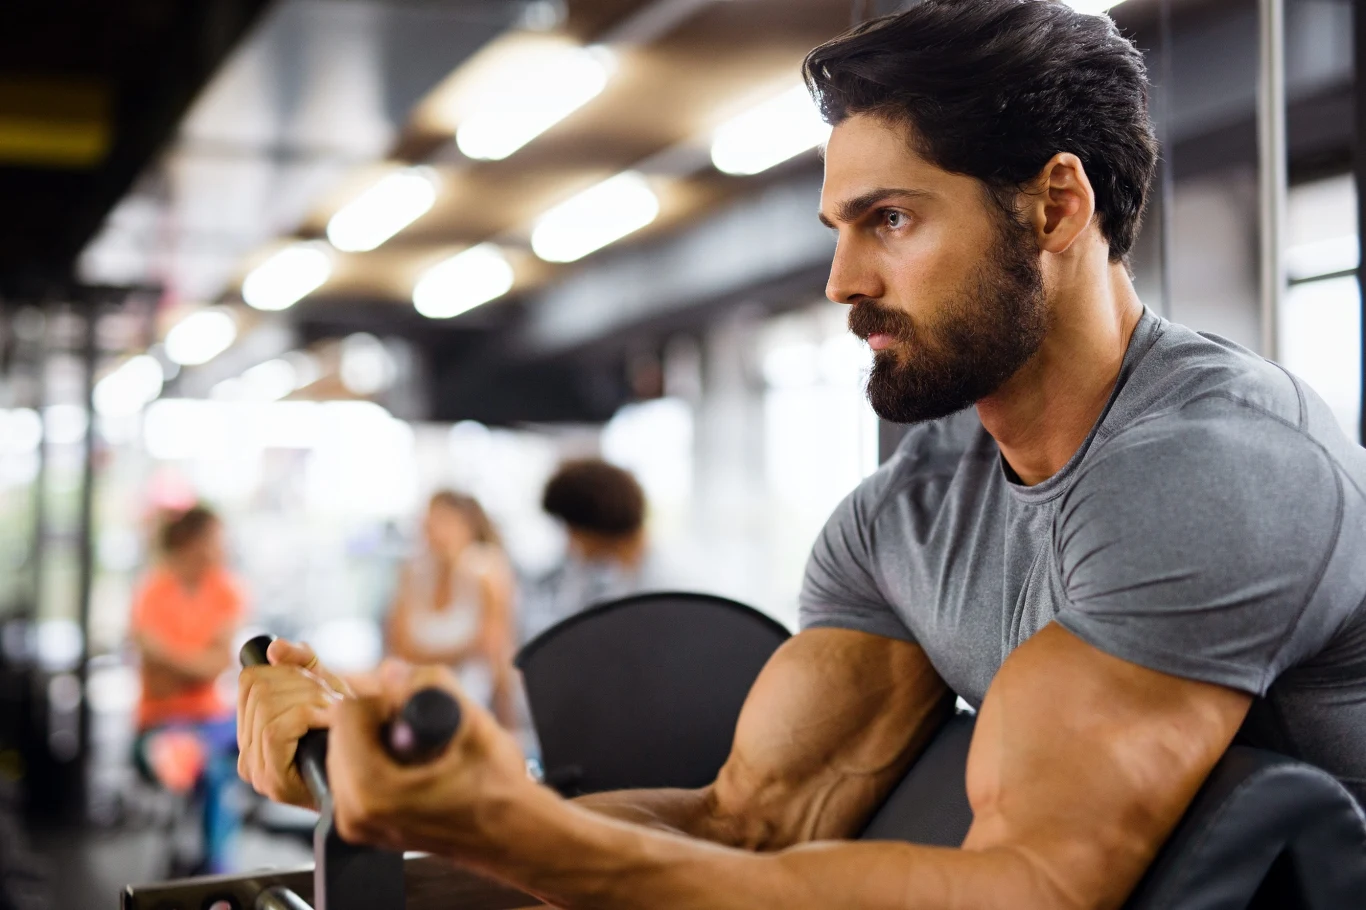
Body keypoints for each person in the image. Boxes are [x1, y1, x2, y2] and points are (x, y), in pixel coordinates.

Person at [236, 2, 1366, 907]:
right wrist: (421, 802)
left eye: (891, 220)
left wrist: (505, 825)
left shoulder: (1215, 468)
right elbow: (750, 822)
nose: (842, 282)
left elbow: (1030, 888)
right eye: (840, 229)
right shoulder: (904, 517)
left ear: (1054, 209)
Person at [129, 504, 244, 874]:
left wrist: (170, 657)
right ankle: (211, 869)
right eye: (215, 539)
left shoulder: (227, 590)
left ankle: (213, 867)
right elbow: (158, 680)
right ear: (195, 541)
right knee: (203, 765)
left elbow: (219, 665)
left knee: (224, 759)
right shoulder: (152, 591)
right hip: (160, 722)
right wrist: (200, 663)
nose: (222, 547)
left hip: (214, 720)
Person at [386, 491, 516, 726]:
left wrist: (508, 723)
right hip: (415, 699)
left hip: (474, 703)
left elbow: (494, 649)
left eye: (443, 521)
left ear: (467, 525)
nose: (434, 531)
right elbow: (399, 646)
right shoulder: (411, 572)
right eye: (430, 522)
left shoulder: (487, 570)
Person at [522, 459, 650, 642]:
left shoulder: (664, 583)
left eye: (571, 529)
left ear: (595, 526)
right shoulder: (603, 575)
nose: (569, 543)